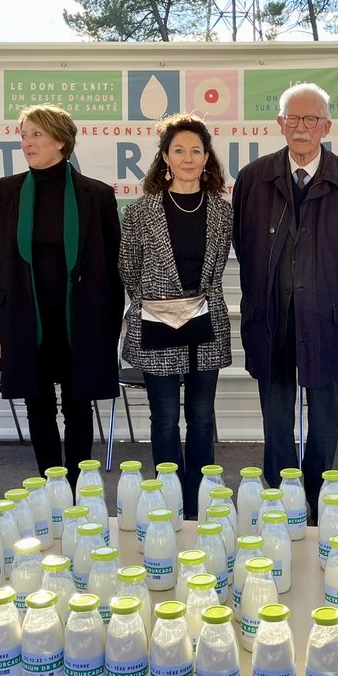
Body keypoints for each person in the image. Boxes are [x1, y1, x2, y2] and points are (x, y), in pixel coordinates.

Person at [232, 82, 338, 521]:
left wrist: (323, 283)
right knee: (276, 415)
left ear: (326, 125)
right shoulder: (253, 179)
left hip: (328, 317)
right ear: (279, 124)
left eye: (311, 119)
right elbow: (245, 244)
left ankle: (318, 501)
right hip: (271, 317)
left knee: (323, 415)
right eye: (292, 118)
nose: (301, 127)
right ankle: (281, 500)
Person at [0, 103, 122, 489]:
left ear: (61, 140)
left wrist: (110, 328)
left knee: (78, 407)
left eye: (36, 134)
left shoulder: (96, 195)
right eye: (24, 135)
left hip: (81, 322)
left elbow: (114, 271)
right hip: (26, 321)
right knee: (37, 406)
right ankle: (49, 486)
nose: (27, 142)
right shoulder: (6, 193)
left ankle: (78, 488)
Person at [119, 114, 232, 519]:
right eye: (179, 150)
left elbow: (218, 266)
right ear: (165, 157)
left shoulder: (222, 211)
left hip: (206, 322)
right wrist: (155, 302)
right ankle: (168, 496)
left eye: (196, 151)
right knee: (164, 417)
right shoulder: (140, 211)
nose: (188, 158)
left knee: (202, 417)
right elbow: (128, 268)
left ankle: (199, 496)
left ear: (207, 158)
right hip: (156, 321)